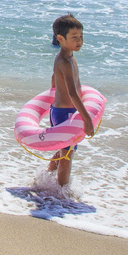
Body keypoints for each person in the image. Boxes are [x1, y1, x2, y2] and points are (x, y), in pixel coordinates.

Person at [47, 13, 96, 189]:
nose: (79, 41)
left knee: (66, 149)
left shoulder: (69, 58)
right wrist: (87, 119)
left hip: (65, 112)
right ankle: (60, 192)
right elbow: (73, 94)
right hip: (62, 113)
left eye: (81, 37)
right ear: (61, 38)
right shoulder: (65, 61)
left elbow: (54, 77)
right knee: (67, 155)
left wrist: (53, 89)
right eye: (74, 38)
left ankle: (48, 177)